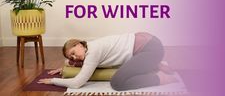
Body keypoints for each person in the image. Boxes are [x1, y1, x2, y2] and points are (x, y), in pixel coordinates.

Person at [38, 32, 177, 91]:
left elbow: (77, 83)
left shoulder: (93, 52)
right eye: (71, 57)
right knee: (126, 71)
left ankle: (160, 78)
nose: (73, 58)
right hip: (146, 45)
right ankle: (154, 65)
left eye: (73, 53)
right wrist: (64, 68)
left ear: (80, 44)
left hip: (150, 48)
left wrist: (53, 81)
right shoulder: (90, 49)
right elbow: (73, 62)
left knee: (118, 83)